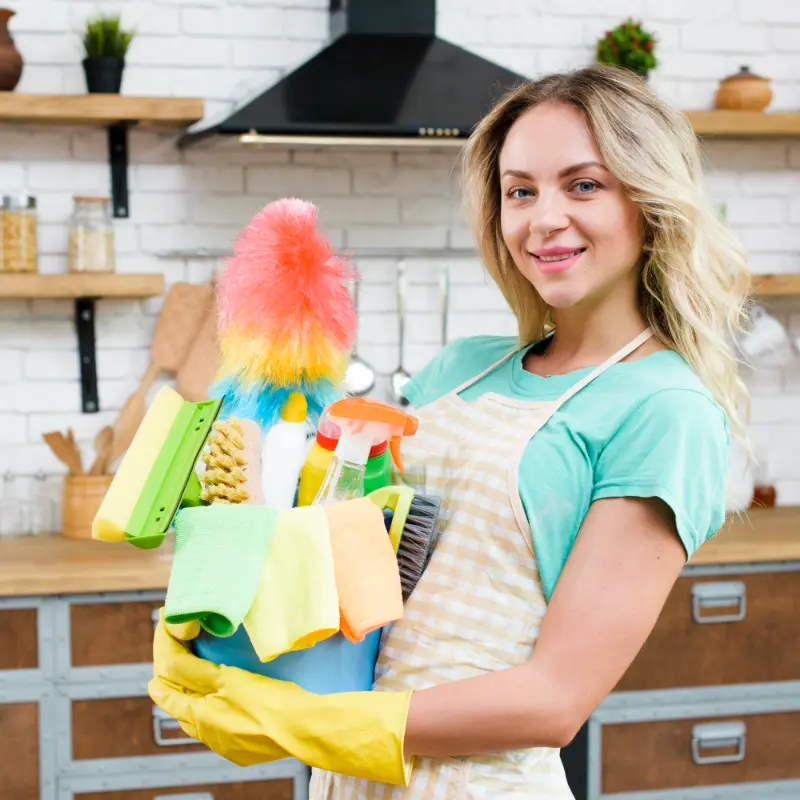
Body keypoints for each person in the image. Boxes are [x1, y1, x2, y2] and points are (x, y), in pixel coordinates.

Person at [149, 64, 750, 798]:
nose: (543, 218)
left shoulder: (664, 410)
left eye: (583, 184)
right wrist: (232, 621)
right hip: (350, 783)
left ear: (650, 201)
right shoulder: (461, 369)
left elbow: (556, 699)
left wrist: (315, 723)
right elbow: (354, 584)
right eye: (520, 190)